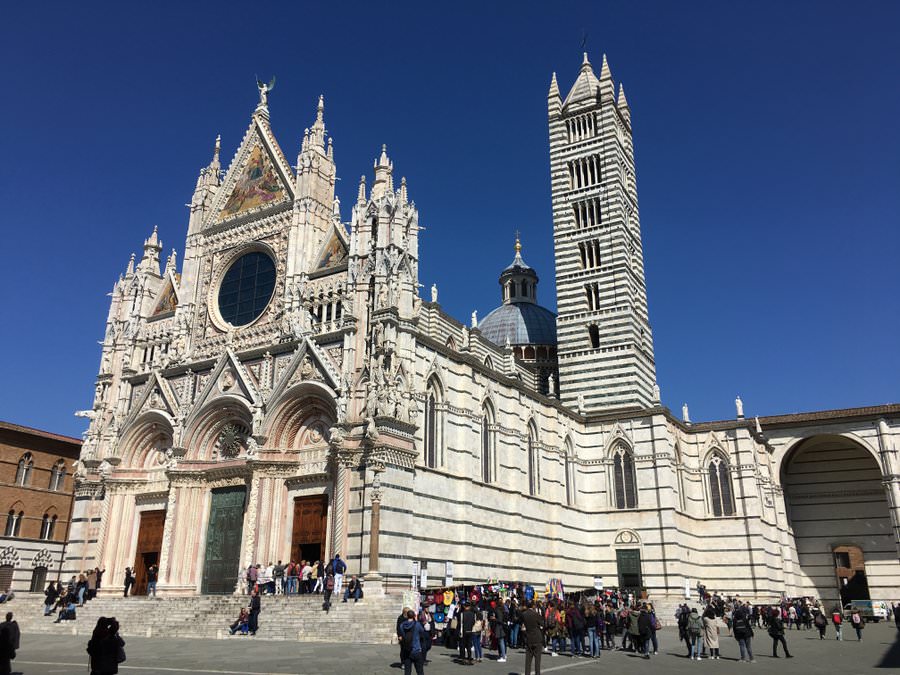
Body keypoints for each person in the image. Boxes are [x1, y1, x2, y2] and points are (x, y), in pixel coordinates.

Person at [399, 608, 427, 675]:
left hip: (407, 650)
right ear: (414, 616)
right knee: (420, 671)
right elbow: (422, 631)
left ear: (407, 616)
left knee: (407, 671)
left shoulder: (402, 625)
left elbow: (402, 634)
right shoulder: (417, 624)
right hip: (416, 650)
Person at [521, 600, 545, 675]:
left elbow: (522, 625)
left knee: (528, 661)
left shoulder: (524, 614)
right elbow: (543, 623)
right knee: (537, 661)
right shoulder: (536, 614)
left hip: (528, 637)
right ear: (533, 606)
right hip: (537, 637)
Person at [492, 597, 508, 662]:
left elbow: (499, 619)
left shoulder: (498, 610)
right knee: (502, 641)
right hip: (502, 626)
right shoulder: (503, 609)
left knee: (501, 642)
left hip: (499, 627)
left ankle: (503, 656)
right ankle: (503, 655)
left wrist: (494, 619)